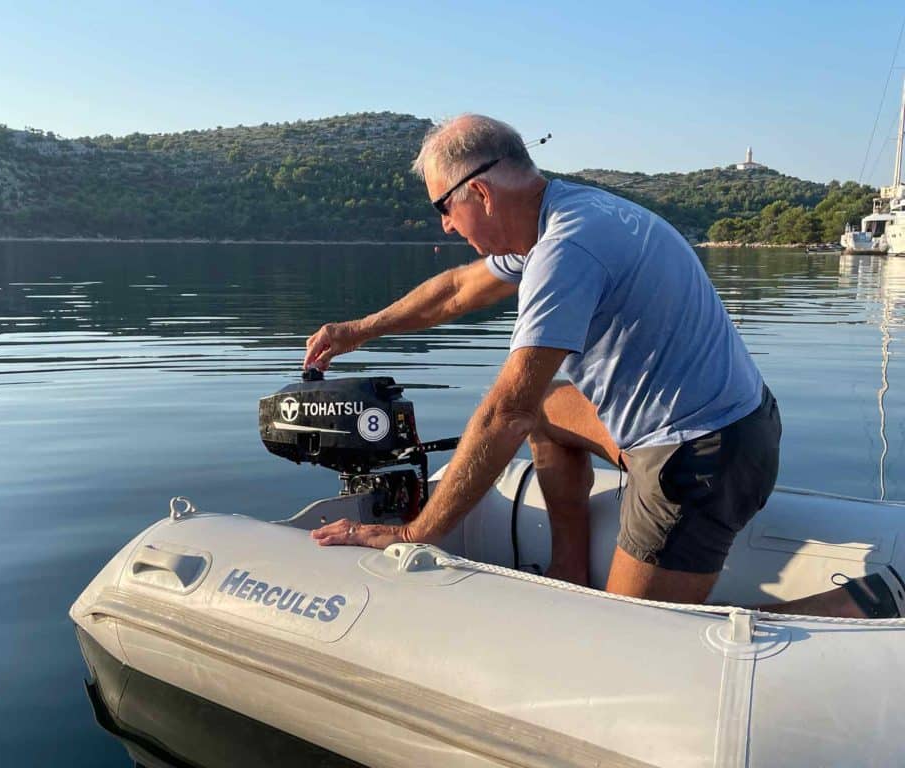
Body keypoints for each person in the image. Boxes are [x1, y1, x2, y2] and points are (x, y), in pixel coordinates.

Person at [305, 114, 900, 617]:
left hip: (699, 458)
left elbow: (504, 415)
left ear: (479, 194)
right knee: (548, 407)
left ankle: (868, 605)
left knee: (640, 638)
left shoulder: (566, 250)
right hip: (733, 423)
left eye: (444, 207)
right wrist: (359, 330)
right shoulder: (568, 215)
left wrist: (416, 533)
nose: (445, 225)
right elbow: (458, 291)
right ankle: (569, 570)